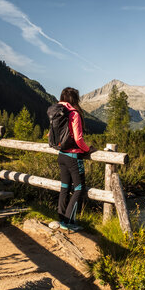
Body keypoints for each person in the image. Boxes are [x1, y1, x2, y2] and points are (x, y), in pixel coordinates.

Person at [57, 87, 95, 231]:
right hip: (73, 156)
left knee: (65, 187)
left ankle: (61, 220)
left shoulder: (57, 113)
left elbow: (51, 135)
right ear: (75, 99)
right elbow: (79, 139)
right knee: (79, 188)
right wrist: (87, 149)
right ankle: (70, 222)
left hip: (61, 155)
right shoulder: (74, 114)